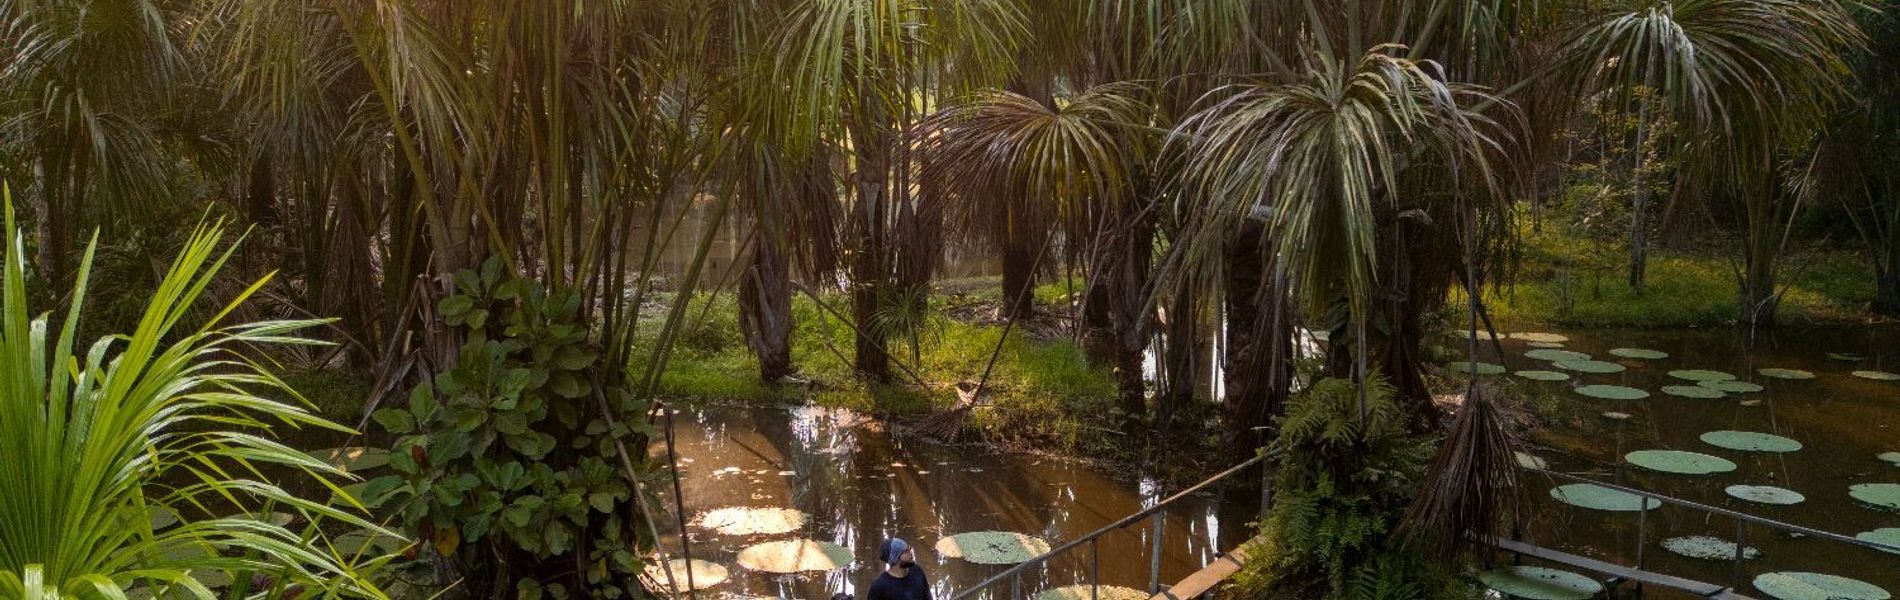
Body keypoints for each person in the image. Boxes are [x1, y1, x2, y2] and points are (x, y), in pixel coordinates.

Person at [865, 538, 931, 600]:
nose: (911, 553)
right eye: (906, 552)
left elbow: (927, 596)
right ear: (895, 559)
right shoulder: (879, 586)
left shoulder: (917, 571)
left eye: (909, 548)